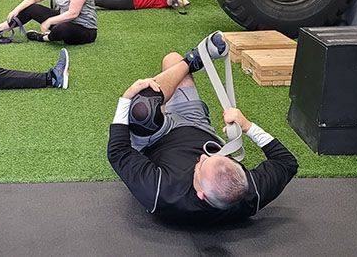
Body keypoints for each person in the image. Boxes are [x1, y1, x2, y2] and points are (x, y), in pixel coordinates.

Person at [107, 32, 298, 223]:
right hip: (197, 124)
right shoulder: (249, 195)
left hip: (156, 140)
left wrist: (125, 98)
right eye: (215, 157)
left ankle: (192, 60)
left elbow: (118, 152)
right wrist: (247, 126)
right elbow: (287, 162)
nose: (202, 155)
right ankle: (190, 61)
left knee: (142, 107)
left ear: (200, 194)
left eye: (201, 164)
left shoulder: (161, 193)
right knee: (171, 58)